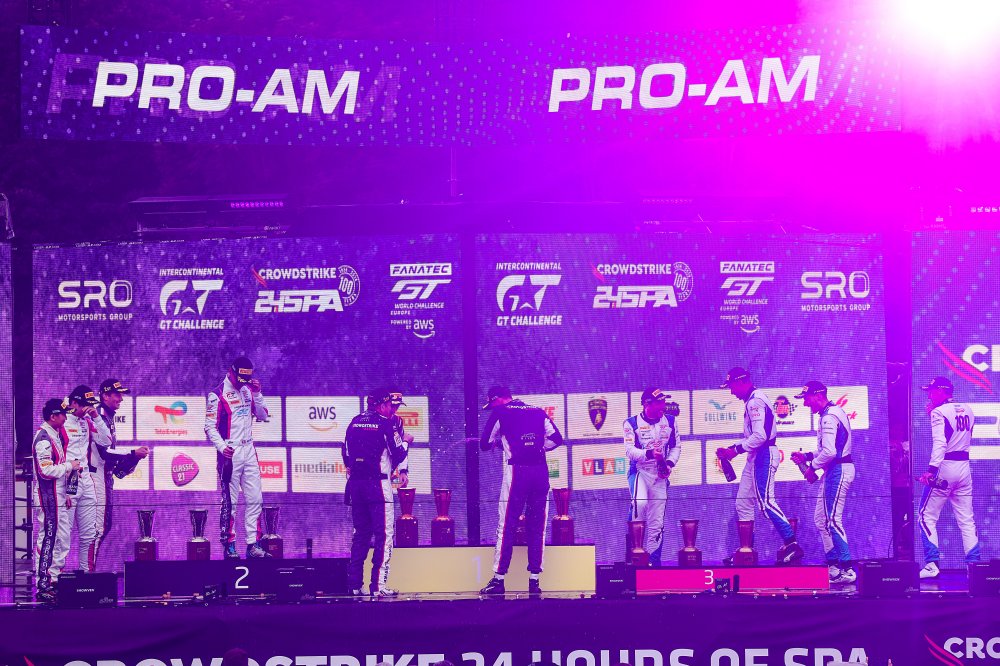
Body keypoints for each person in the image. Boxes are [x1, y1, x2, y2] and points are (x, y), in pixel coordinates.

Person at [479, 386, 564, 597]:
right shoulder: (537, 411)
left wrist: (500, 443)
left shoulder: (500, 412)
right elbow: (557, 439)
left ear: (497, 400)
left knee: (506, 525)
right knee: (537, 526)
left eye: (492, 404)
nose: (492, 408)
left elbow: (484, 443)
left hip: (517, 473)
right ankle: (534, 581)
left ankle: (499, 580)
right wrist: (538, 448)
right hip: (540, 472)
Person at [716, 368, 803, 565]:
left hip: (763, 455)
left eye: (731, 386)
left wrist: (735, 451)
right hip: (756, 455)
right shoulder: (753, 399)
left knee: (766, 503)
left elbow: (760, 436)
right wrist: (732, 448)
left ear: (741, 382)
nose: (731, 391)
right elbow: (754, 436)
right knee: (743, 503)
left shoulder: (754, 401)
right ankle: (746, 550)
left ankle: (792, 544)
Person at [343, 388, 409, 598]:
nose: (391, 409)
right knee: (384, 536)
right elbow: (399, 454)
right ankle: (378, 586)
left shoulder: (354, 422)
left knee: (360, 535)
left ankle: (354, 585)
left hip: (356, 485)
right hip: (378, 487)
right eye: (389, 405)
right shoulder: (386, 424)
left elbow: (345, 454)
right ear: (381, 405)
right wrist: (406, 441)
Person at [205, 356, 271, 559]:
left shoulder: (248, 390)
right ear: (231, 372)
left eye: (246, 380)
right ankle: (230, 545)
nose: (243, 383)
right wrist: (222, 447)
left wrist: (257, 394)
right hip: (230, 452)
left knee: (255, 499)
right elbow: (209, 427)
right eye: (240, 379)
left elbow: (263, 415)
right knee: (230, 502)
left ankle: (253, 544)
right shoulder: (216, 395)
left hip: (249, 449)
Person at [791, 381, 856, 583]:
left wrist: (811, 467)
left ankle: (847, 569)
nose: (805, 403)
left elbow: (829, 452)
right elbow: (825, 450)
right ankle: (834, 567)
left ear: (818, 396)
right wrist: (806, 456)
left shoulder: (829, 416)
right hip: (834, 470)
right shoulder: (829, 413)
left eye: (807, 399)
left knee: (833, 520)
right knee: (821, 520)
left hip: (839, 470)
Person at [916, 376, 980, 579]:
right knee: (966, 520)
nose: (929, 395)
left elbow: (941, 443)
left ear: (941, 391)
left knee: (925, 516)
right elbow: (958, 434)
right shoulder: (968, 409)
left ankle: (932, 564)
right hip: (964, 469)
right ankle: (974, 567)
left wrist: (931, 470)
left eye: (931, 391)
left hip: (944, 468)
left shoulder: (938, 412)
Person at [92, 379, 149, 567]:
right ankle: (87, 572)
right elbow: (104, 452)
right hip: (96, 477)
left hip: (104, 476)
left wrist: (132, 460)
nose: (121, 399)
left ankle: (88, 569)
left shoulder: (107, 416)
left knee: (103, 527)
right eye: (117, 395)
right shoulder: (99, 416)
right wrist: (132, 453)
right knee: (98, 529)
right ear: (105, 396)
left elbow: (111, 457)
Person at [624, 388, 680, 566]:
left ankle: (653, 563)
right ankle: (634, 558)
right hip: (639, 471)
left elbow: (676, 447)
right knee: (639, 504)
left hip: (659, 475)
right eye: (659, 402)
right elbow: (630, 451)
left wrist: (669, 463)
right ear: (647, 404)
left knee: (657, 521)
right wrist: (649, 454)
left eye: (664, 401)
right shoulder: (631, 423)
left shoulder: (670, 421)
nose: (663, 405)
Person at [33, 398, 79, 603]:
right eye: (63, 414)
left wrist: (65, 493)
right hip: (47, 497)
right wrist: (70, 466)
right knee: (48, 537)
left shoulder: (55, 434)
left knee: (62, 538)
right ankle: (43, 583)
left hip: (57, 495)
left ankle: (55, 579)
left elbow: (56, 467)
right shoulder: (44, 438)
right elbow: (45, 471)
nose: (66, 417)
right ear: (53, 416)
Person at [62, 385, 103, 572]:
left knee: (89, 534)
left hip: (85, 478)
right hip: (67, 478)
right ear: (74, 403)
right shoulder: (61, 421)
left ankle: (87, 577)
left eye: (91, 405)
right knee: (64, 533)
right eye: (86, 405)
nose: (89, 408)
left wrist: (96, 417)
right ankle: (55, 580)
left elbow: (106, 441)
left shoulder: (87, 421)